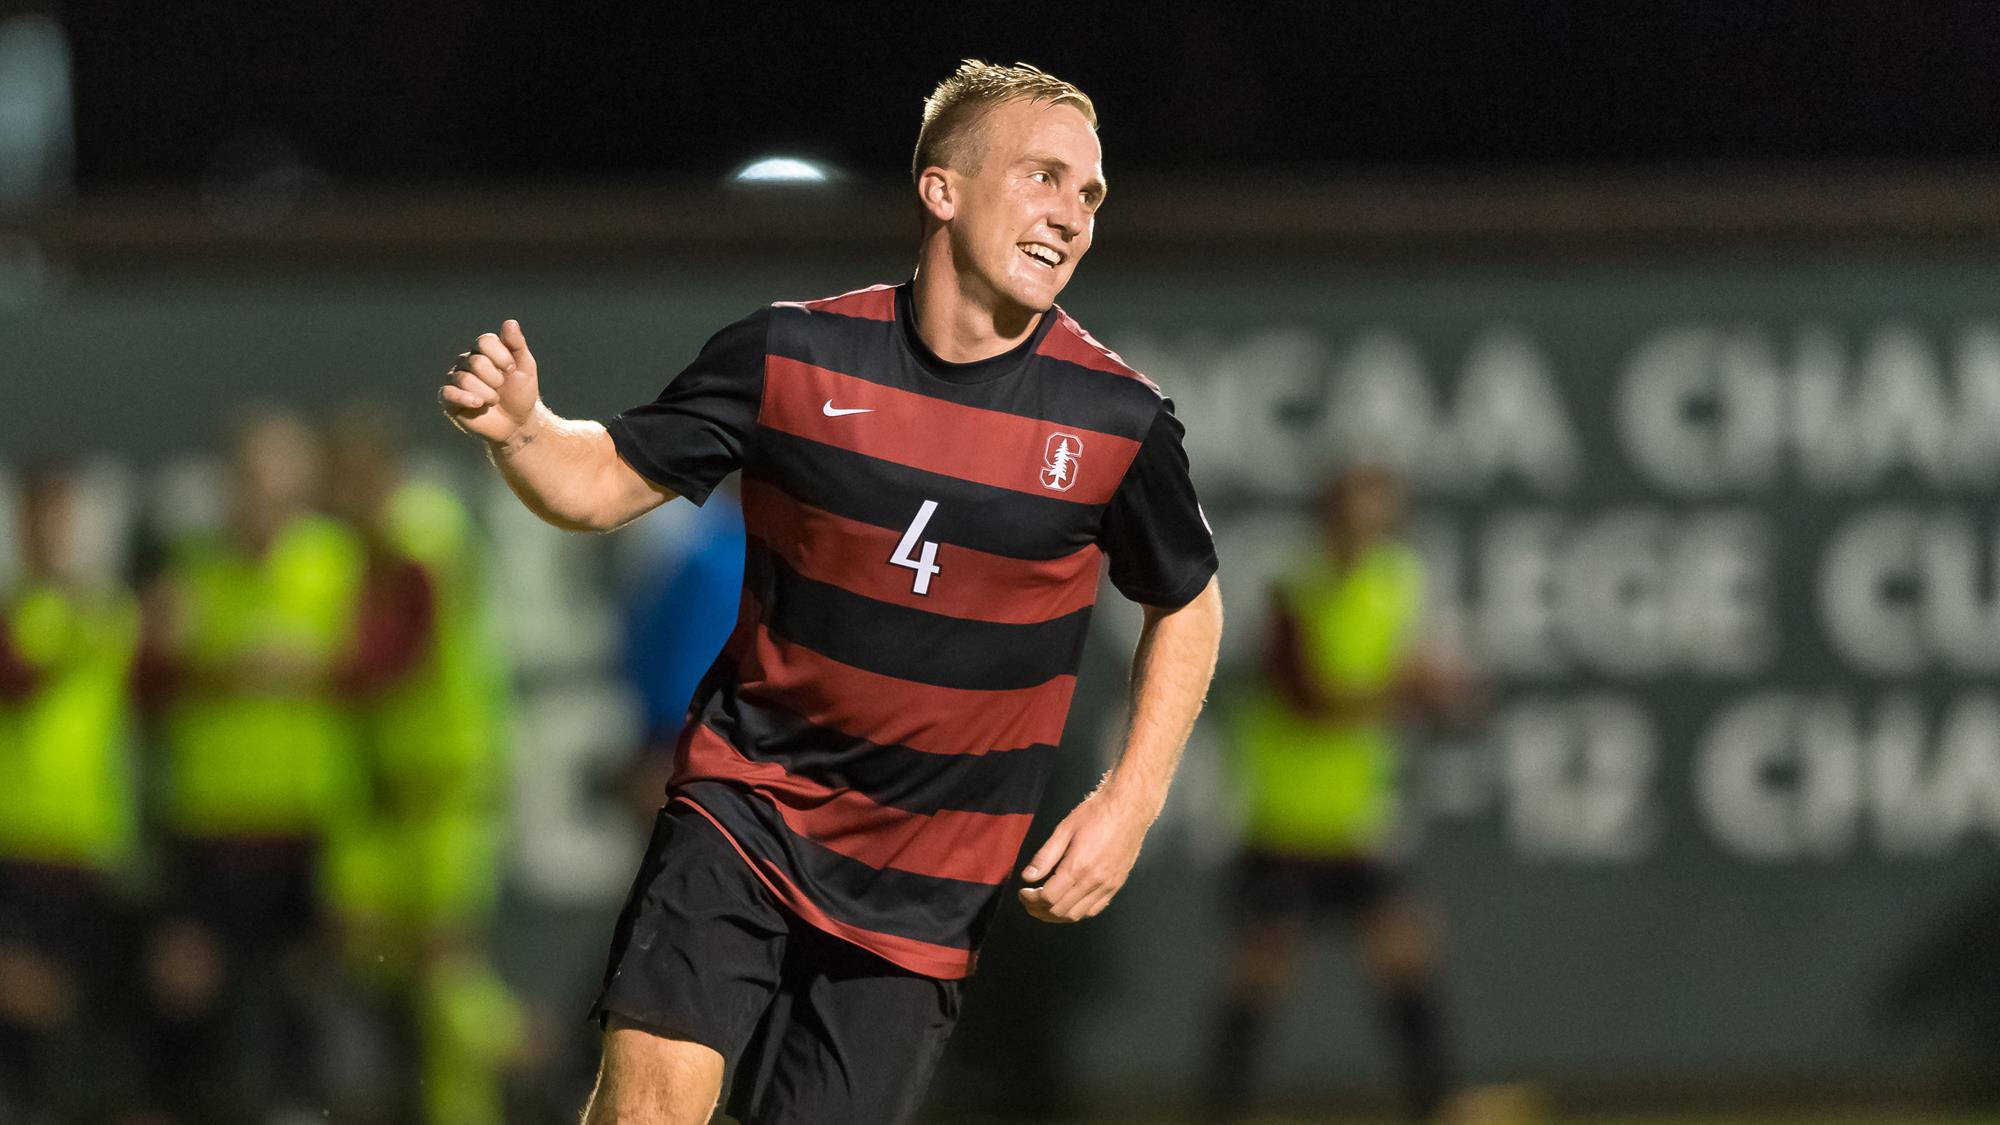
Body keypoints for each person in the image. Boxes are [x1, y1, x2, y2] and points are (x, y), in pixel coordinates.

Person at [438, 59, 1225, 1125]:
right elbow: (597, 483)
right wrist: (524, 433)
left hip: (927, 882)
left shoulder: (1118, 422)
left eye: (1088, 194)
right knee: (646, 1109)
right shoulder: (791, 356)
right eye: (1042, 177)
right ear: (940, 190)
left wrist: (1127, 804)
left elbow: (1186, 600)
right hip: (745, 811)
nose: (1070, 215)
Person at [1203, 465, 1478, 1122]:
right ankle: (1216, 1111)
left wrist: (1447, 696)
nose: (1365, 531)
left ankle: (1440, 1104)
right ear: (1326, 518)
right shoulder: (1291, 589)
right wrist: (1402, 693)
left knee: (1407, 958)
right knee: (1260, 974)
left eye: (1378, 517)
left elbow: (1437, 687)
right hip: (1284, 819)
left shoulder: (1399, 581)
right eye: (1353, 516)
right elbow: (1302, 697)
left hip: (1359, 820)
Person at [136, 408, 367, 1122]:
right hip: (210, 821)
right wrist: (193, 659)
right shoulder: (193, 567)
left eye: (275, 477)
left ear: (301, 482)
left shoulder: (340, 561)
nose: (259, 494)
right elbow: (145, 686)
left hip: (309, 819)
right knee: (189, 998)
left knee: (307, 998)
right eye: (245, 477)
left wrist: (314, 666)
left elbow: (379, 675)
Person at [321, 408, 523, 1125]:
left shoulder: (421, 533)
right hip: (391, 792)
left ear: (373, 469)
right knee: (384, 954)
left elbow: (390, 658)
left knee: (443, 964)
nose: (330, 492)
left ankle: (521, 1047)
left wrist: (298, 667)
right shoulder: (367, 545)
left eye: (340, 474)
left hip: (448, 784)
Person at [0, 462, 141, 1123]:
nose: (54, 534)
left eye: (65, 517)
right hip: (13, 851)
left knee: (86, 1048)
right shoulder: (14, 614)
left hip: (89, 853)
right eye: (38, 518)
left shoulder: (118, 615)